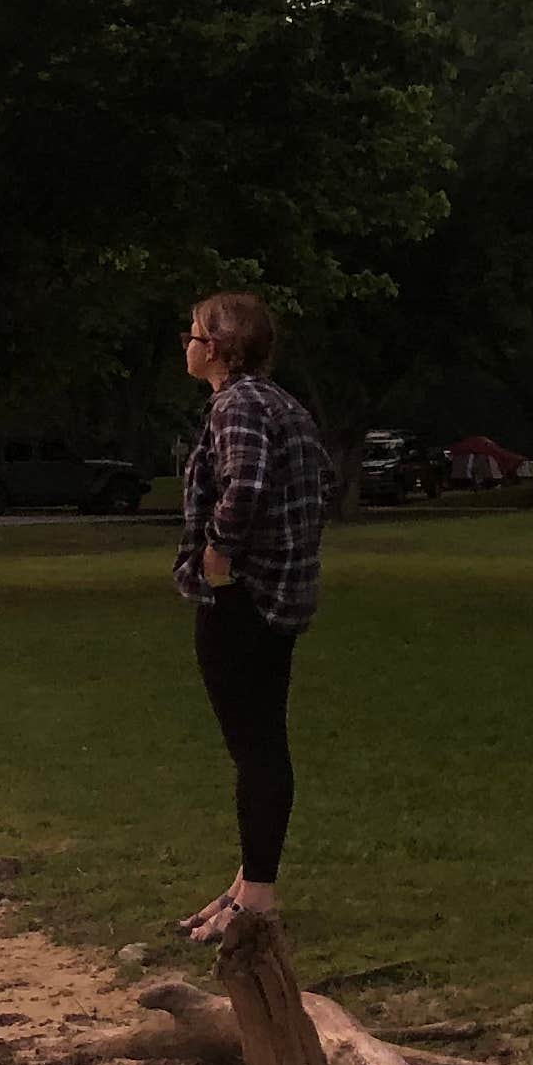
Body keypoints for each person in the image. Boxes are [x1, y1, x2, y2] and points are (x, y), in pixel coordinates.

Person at [173, 292, 337, 945]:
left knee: (257, 746)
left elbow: (246, 484)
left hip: (247, 598)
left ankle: (259, 899)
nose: (185, 345)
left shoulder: (237, 403)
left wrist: (218, 556)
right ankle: (248, 882)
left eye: (190, 334)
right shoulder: (278, 401)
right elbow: (319, 480)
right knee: (259, 742)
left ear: (217, 346)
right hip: (277, 595)